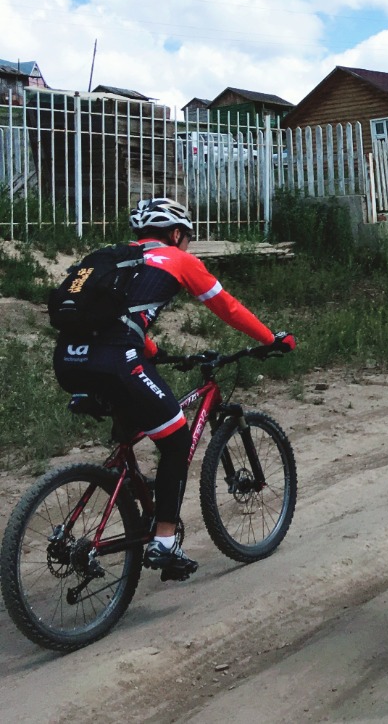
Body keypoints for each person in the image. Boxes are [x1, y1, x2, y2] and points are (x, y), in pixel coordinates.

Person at [52, 198, 296, 581]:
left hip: (69, 361)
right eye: (188, 238)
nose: (188, 245)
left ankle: (137, 490)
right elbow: (228, 307)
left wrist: (154, 352)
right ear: (177, 233)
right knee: (177, 438)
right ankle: (165, 541)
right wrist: (270, 339)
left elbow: (117, 318)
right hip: (116, 361)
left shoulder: (115, 258)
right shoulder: (178, 260)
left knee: (137, 422)